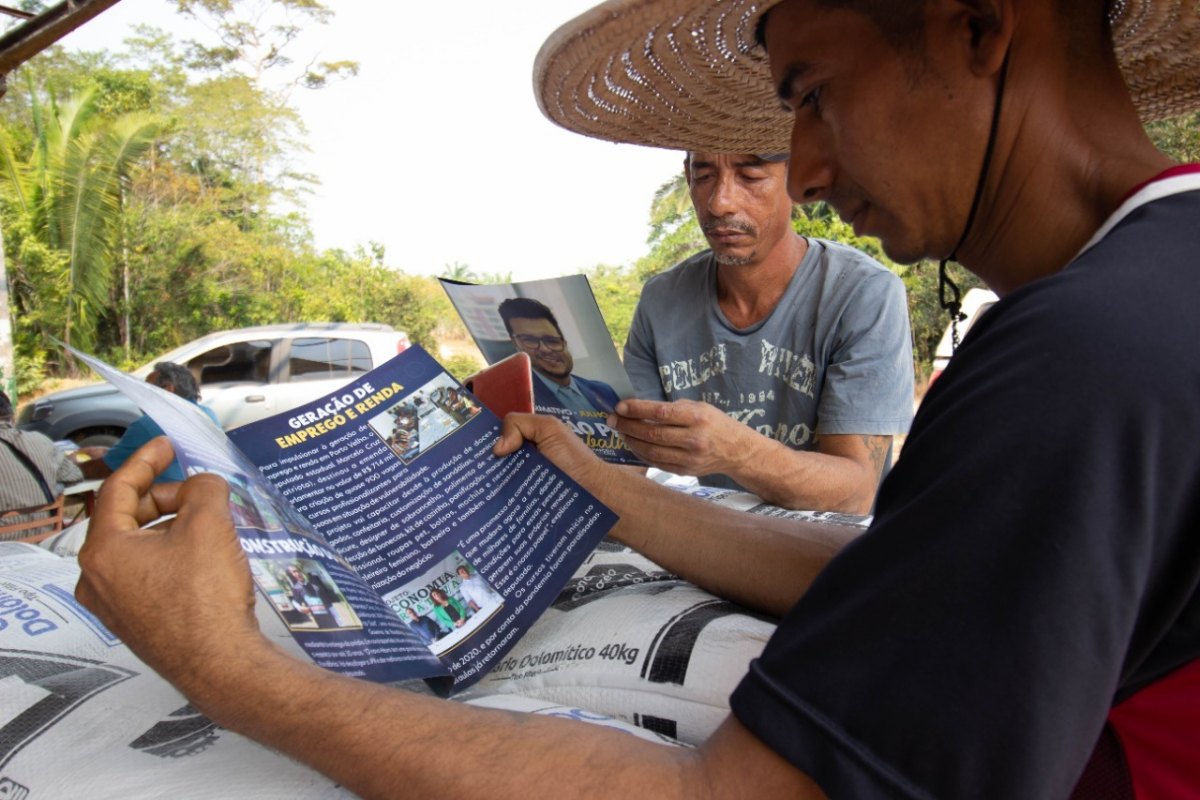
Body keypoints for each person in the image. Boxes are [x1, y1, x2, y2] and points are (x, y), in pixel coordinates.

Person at [74, 0, 1200, 797]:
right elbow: (914, 583)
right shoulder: (1153, 293)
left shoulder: (1078, 357)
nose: (807, 169)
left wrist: (227, 666)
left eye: (814, 95)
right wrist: (603, 484)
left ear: (978, 24)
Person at [622, 151, 913, 511]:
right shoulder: (661, 300)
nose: (720, 203)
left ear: (798, 180)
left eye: (750, 176)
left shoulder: (862, 293)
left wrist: (735, 451)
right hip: (717, 535)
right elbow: (625, 459)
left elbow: (855, 493)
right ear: (688, 177)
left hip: (825, 543)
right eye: (704, 176)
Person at [78, 362, 219, 483]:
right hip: (211, 494)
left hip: (173, 501)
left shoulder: (150, 423)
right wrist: (107, 453)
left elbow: (104, 469)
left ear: (168, 389)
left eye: (145, 389)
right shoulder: (208, 415)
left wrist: (73, 468)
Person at [497, 297, 620, 415]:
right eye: (530, 340)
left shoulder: (604, 391)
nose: (545, 349)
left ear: (564, 342)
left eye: (551, 341)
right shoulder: (518, 405)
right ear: (515, 344)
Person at [0, 390, 82, 536]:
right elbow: (74, 475)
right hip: (44, 536)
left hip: (6, 544)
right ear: (12, 416)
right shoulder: (40, 440)